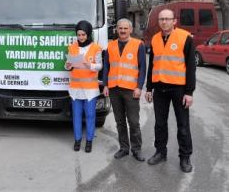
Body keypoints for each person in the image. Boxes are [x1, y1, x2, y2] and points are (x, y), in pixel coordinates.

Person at [145, 9, 196, 173]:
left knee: (183, 125)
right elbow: (152, 65)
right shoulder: (155, 39)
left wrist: (189, 92)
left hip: (179, 89)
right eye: (161, 19)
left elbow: (191, 68)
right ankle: (160, 152)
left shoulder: (185, 37)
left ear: (174, 21)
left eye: (167, 19)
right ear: (158, 22)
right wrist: (149, 88)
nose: (164, 22)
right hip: (160, 88)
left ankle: (185, 157)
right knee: (160, 124)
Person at [102, 18, 146, 161]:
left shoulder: (138, 44)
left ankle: (136, 149)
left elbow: (142, 69)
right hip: (114, 89)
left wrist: (139, 87)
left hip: (131, 89)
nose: (122, 31)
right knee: (120, 121)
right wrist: (106, 85)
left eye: (125, 28)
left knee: (133, 122)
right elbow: (106, 67)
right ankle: (124, 148)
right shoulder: (110, 45)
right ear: (117, 29)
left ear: (130, 30)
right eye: (120, 28)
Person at [65, 20, 102, 153]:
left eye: (83, 34)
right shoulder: (72, 47)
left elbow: (99, 65)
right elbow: (68, 64)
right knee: (76, 115)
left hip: (90, 89)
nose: (81, 37)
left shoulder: (96, 48)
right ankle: (77, 140)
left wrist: (90, 65)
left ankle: (89, 141)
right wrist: (68, 65)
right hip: (75, 89)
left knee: (91, 115)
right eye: (79, 34)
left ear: (88, 34)